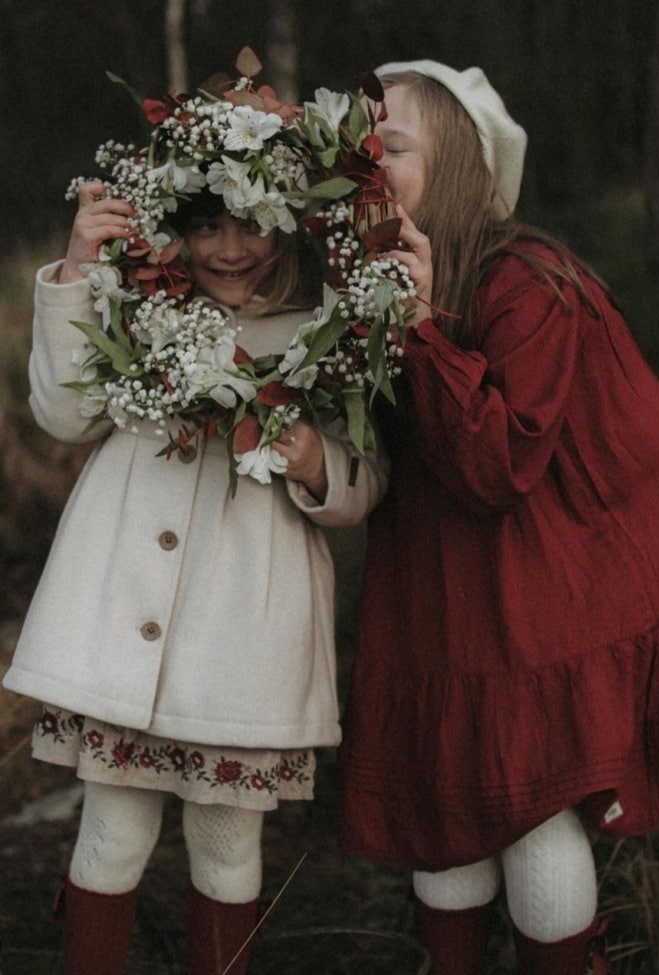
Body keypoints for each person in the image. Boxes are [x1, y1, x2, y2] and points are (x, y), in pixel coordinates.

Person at [337, 60, 659, 975]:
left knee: (528, 803)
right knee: (443, 800)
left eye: (391, 146)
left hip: (554, 569)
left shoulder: (525, 283)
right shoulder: (370, 275)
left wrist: (419, 329)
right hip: (446, 577)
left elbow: (497, 463)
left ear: (457, 166)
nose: (367, 163)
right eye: (355, 147)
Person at [3, 179, 388, 975]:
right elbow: (65, 415)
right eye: (206, 227)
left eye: (251, 225)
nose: (230, 250)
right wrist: (77, 271)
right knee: (111, 835)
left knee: (226, 845)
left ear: (287, 224)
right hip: (125, 625)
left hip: (242, 636)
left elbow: (365, 479)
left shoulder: (326, 330)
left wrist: (315, 460)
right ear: (172, 228)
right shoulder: (139, 306)